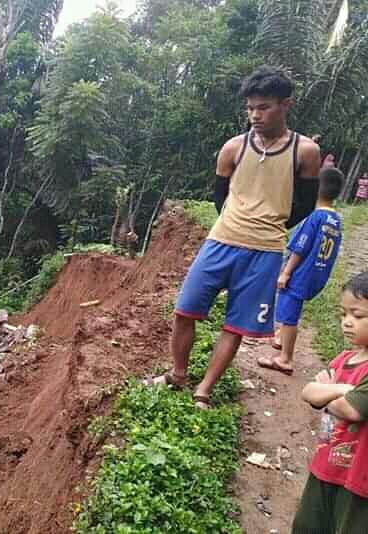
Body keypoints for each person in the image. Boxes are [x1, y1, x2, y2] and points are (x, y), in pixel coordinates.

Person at [146, 66, 321, 409]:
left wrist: (272, 225)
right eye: (250, 107)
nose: (255, 115)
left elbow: (304, 205)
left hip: (266, 250)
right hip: (221, 240)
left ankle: (204, 389)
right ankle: (178, 374)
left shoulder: (305, 152)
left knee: (236, 325)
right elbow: (219, 196)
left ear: (286, 105)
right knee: (184, 311)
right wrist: (235, 221)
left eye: (264, 107)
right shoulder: (233, 148)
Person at [292, 272, 368, 533]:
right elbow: (309, 391)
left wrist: (328, 392)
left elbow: (352, 409)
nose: (347, 322)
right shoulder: (344, 358)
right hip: (327, 463)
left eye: (358, 316)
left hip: (360, 479)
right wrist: (344, 389)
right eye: (343, 314)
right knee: (307, 525)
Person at [259, 168, 345, 375]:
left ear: (316, 189)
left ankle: (285, 359)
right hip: (317, 273)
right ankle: (282, 337)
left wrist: (286, 272)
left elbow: (300, 248)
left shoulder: (314, 217)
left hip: (300, 274)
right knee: (291, 311)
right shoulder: (335, 220)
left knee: (289, 314)